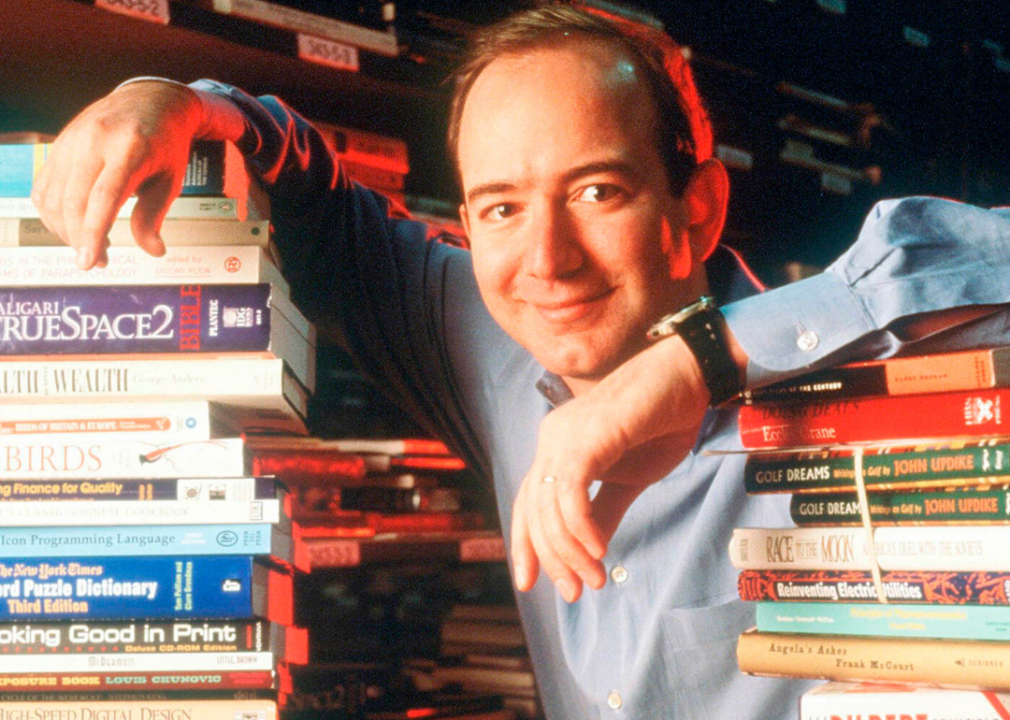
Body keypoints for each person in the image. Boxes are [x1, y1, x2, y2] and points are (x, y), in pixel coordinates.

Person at [31, 5, 1010, 718]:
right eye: (499, 207)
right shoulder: (487, 340)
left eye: (595, 192)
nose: (543, 261)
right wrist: (174, 101)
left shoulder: (880, 380)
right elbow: (322, 208)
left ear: (697, 209)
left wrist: (694, 362)